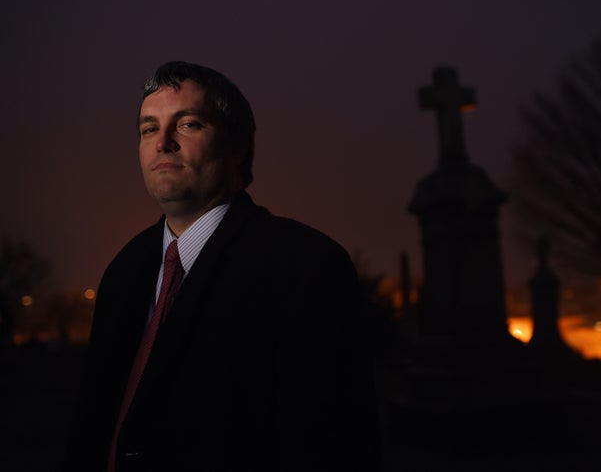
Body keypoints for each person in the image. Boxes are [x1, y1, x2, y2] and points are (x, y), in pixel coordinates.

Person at [63, 61, 383, 471]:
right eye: (148, 129)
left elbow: (332, 445)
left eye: (188, 124)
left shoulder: (305, 266)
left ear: (237, 146)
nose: (162, 143)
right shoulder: (122, 271)